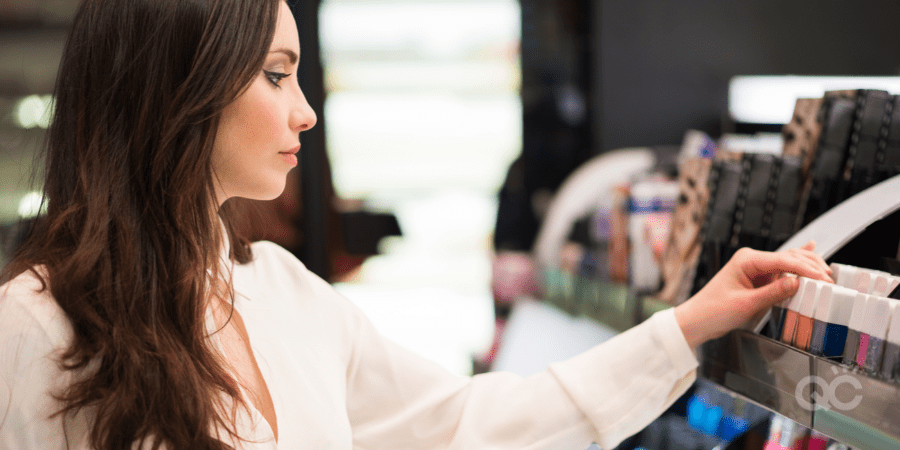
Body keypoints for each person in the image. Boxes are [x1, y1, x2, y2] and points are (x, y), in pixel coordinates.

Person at [0, 0, 834, 449]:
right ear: (179, 88)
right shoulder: (37, 326)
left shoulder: (287, 295)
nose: (305, 113)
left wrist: (684, 328)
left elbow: (466, 425)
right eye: (276, 76)